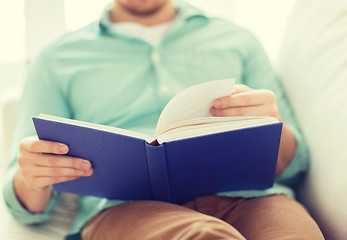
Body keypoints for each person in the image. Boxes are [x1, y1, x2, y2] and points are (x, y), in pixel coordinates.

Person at [3, 0, 324, 239]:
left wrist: (270, 126)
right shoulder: (56, 59)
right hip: (124, 212)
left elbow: (295, 164)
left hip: (255, 201)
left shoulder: (238, 40)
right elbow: (24, 198)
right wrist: (32, 175)